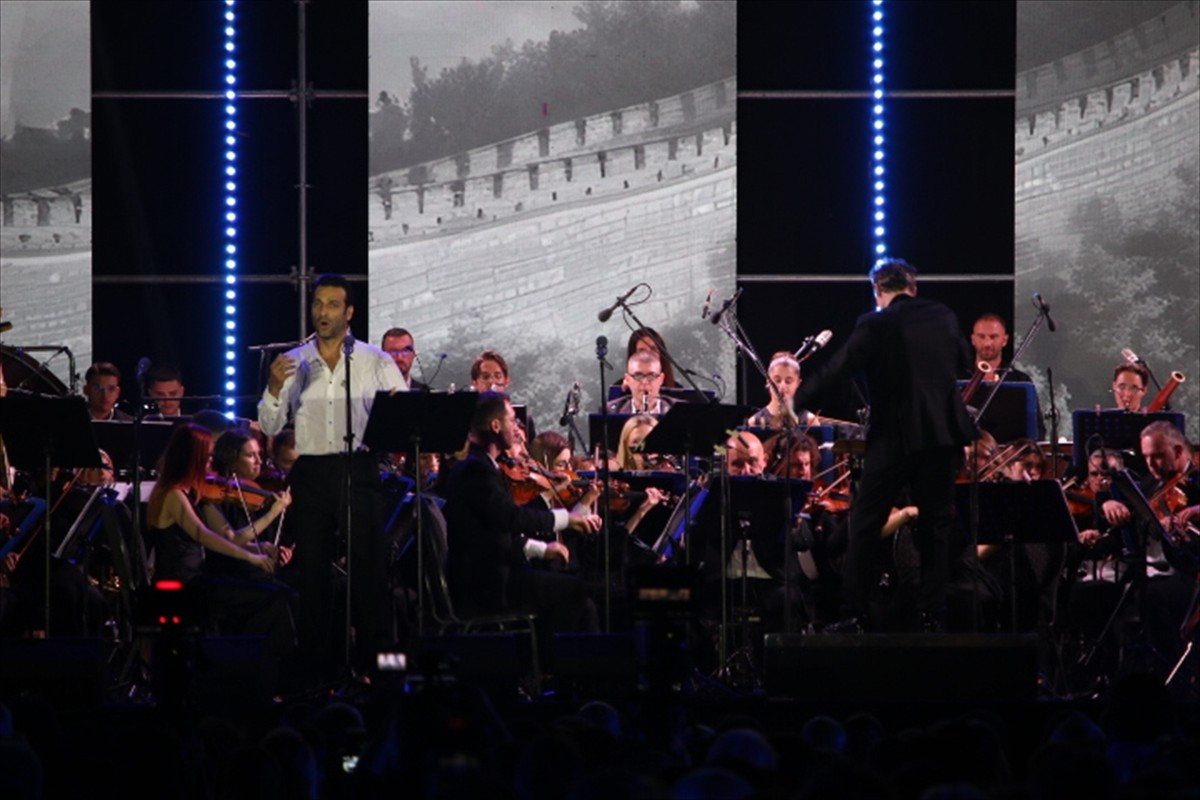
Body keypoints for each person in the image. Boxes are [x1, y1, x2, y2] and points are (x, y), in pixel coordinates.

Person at [791, 259, 977, 631]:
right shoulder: (943, 316)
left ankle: (856, 615)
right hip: (943, 436)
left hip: (895, 436)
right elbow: (965, 362)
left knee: (864, 522)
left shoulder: (876, 322)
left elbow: (840, 367)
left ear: (878, 292)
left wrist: (800, 399)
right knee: (936, 526)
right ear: (914, 288)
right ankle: (933, 616)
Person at [257, 273, 406, 683]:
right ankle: (316, 675)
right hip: (312, 472)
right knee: (314, 580)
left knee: (370, 576)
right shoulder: (295, 361)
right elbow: (269, 426)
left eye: (332, 305)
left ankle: (383, 673)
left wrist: (395, 414)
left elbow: (401, 416)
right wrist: (273, 387)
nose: (322, 312)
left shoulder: (376, 360)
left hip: (358, 469)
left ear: (350, 312)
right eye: (318, 304)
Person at [440, 392, 601, 634]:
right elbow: (512, 519)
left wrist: (544, 549)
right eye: (513, 420)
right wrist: (568, 520)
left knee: (585, 604)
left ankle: (580, 667)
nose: (517, 429)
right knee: (574, 590)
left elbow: (500, 526)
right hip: (486, 583)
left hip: (498, 572)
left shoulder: (485, 466)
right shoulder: (475, 470)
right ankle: (549, 665)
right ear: (495, 425)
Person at [606, 352, 677, 415]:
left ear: (661, 379)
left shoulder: (679, 410)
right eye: (638, 376)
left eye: (651, 375)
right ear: (628, 379)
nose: (645, 382)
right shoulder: (610, 411)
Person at [968, 314, 1033, 383]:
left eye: (993, 337)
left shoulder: (1020, 380)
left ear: (1005, 340)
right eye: (981, 337)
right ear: (973, 340)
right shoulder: (958, 377)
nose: (987, 343)